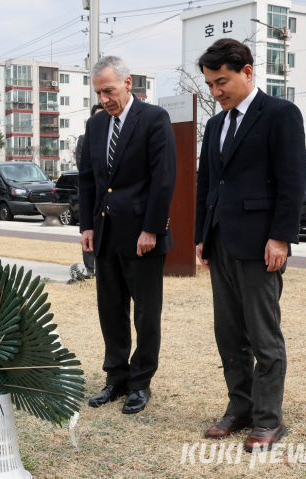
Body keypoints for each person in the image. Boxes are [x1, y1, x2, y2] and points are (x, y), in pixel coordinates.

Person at [195, 38, 306, 452]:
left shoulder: (280, 114)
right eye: (209, 84)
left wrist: (280, 237)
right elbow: (208, 183)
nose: (216, 91)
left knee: (263, 335)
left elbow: (292, 181)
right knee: (228, 332)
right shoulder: (215, 125)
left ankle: (268, 420)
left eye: (221, 81)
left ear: (247, 71)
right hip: (221, 238)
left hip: (261, 243)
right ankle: (239, 407)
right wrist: (201, 237)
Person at [79, 56, 176, 414]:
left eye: (109, 90)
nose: (104, 98)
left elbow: (163, 180)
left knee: (146, 314)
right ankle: (116, 379)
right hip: (105, 233)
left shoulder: (153, 119)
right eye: (99, 92)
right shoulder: (94, 126)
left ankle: (140, 383)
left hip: (143, 236)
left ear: (127, 83)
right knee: (111, 310)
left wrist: (152, 228)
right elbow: (88, 180)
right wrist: (87, 226)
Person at [76, 103, 104, 277]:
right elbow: (84, 169)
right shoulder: (84, 139)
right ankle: (90, 269)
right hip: (93, 195)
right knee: (88, 232)